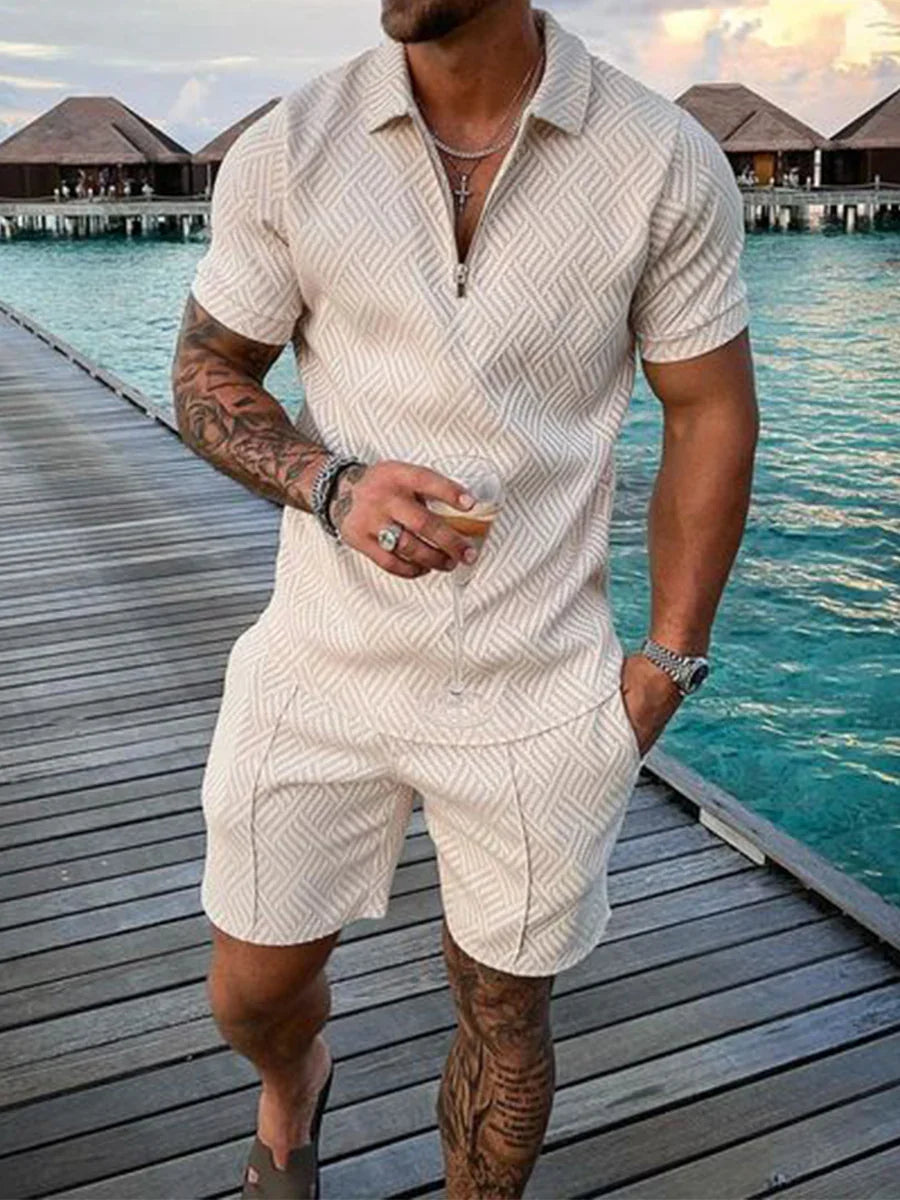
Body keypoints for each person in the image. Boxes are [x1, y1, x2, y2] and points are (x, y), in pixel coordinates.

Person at [171, 2, 758, 1197]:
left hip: (537, 681)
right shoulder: (294, 145)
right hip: (318, 663)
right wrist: (331, 486)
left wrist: (668, 659)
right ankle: (294, 1084)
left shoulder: (658, 158)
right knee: (252, 990)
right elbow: (205, 369)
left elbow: (709, 408)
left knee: (504, 1014)